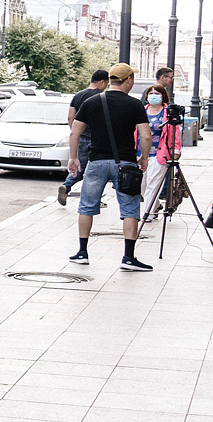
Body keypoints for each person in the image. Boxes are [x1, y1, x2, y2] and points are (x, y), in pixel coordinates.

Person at [67, 63, 152, 271]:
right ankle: (129, 257)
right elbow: (146, 135)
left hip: (96, 162)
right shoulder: (134, 105)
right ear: (129, 80)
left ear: (112, 80)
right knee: (130, 209)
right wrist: (144, 158)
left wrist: (73, 157)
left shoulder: (91, 101)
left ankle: (82, 253)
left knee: (86, 206)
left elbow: (74, 132)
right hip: (126, 164)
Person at [57, 71, 111, 206]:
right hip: (97, 137)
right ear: (102, 82)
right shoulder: (101, 97)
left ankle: (67, 185)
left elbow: (70, 117)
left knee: (79, 164)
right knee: (96, 169)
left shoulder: (78, 95)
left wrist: (76, 133)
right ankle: (95, 199)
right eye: (106, 84)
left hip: (81, 137)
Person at [139, 81, 180, 220]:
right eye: (151, 93)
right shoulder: (141, 110)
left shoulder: (167, 112)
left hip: (159, 153)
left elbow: (175, 133)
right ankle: (155, 206)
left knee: (153, 184)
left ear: (163, 96)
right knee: (142, 186)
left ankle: (148, 214)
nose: (153, 96)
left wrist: (176, 150)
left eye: (157, 94)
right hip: (140, 153)